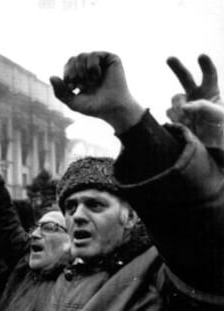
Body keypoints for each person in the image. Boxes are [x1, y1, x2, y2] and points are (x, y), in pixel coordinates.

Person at [48, 51, 224, 310]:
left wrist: (125, 115)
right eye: (70, 207)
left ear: (130, 217)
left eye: (95, 205)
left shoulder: (162, 275)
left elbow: (198, 233)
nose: (78, 216)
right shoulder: (55, 277)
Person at [0, 116, 71, 311]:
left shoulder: (79, 287)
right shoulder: (24, 264)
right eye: (36, 227)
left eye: (49, 228)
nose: (35, 234)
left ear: (72, 241)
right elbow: (3, 216)